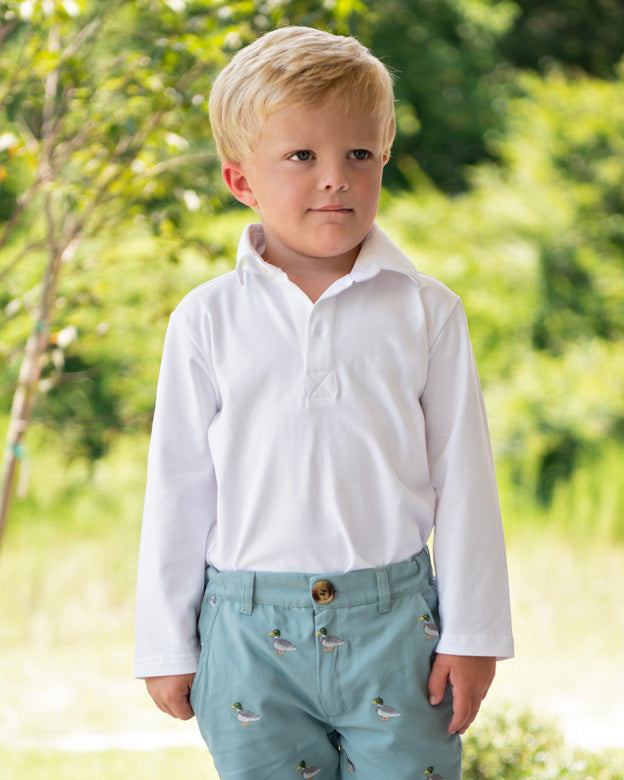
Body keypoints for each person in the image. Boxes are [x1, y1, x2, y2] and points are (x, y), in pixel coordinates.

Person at [134, 25, 514, 780]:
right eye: (302, 156)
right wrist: (164, 643)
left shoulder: (427, 311)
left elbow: (465, 479)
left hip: (397, 630)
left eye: (359, 155)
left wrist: (474, 634)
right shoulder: (206, 319)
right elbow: (178, 488)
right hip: (245, 637)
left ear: (384, 160)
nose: (336, 178)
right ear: (241, 180)